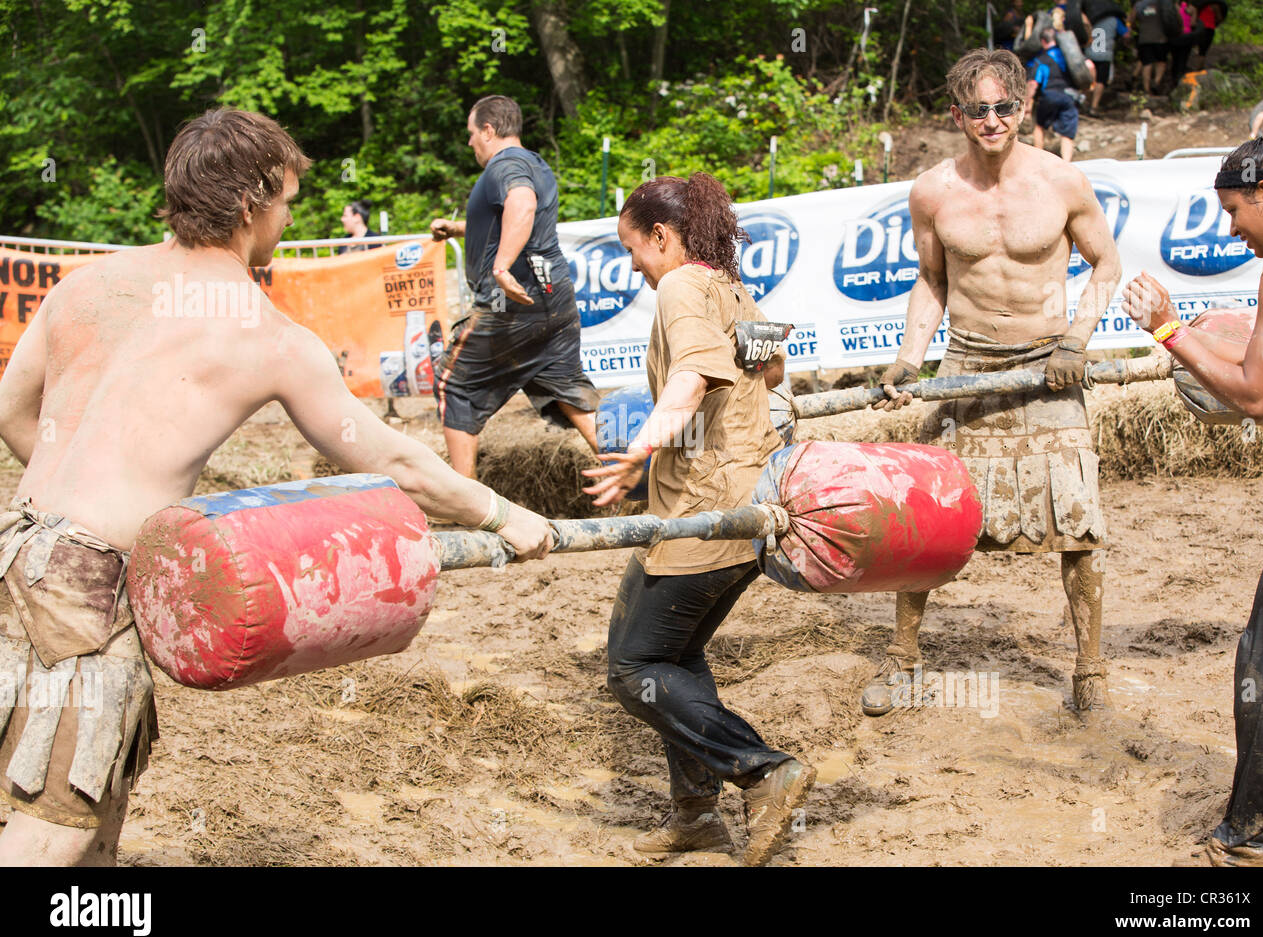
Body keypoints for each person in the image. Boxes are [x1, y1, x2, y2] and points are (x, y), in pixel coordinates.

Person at [0, 108, 553, 867]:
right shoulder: (267, 337)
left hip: (15, 552)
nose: (288, 221)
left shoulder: (86, 285)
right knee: (52, 827)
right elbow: (391, 463)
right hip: (87, 589)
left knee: (91, 793)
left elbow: (11, 411)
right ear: (251, 202)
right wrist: (503, 512)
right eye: (287, 201)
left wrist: (69, 521)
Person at [861, 48, 1121, 718]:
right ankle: (904, 661)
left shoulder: (1065, 182)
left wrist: (1075, 342)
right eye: (977, 110)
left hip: (1047, 368)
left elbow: (1107, 265)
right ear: (958, 115)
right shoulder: (932, 192)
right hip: (966, 371)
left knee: (1077, 520)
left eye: (1004, 107)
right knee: (927, 516)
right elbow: (932, 282)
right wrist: (908, 359)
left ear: (1024, 106)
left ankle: (1089, 671)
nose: (992, 120)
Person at [582, 173, 816, 867]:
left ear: (662, 236)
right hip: (750, 503)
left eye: (634, 249)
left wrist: (639, 452)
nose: (632, 268)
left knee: (633, 666)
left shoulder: (683, 285)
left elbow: (692, 377)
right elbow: (770, 371)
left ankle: (761, 770)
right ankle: (695, 817)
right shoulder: (732, 286)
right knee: (675, 658)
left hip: (703, 510)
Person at [1122, 132, 1263, 866]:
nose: (1231, 229)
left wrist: (1166, 328)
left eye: (1234, 211)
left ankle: (1252, 829)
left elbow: (1258, 394)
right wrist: (1196, 339)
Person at [429, 95, 599, 479]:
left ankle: (467, 502)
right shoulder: (536, 163)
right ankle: (635, 482)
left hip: (512, 304)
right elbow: (514, 218)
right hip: (553, 300)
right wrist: (457, 229)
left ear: (488, 130)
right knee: (568, 390)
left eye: (472, 134)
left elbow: (521, 205)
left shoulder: (505, 165)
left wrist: (502, 267)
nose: (470, 142)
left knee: (454, 384)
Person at [1026, 28, 1081, 162]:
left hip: (1049, 96)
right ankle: (1067, 162)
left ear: (1043, 41)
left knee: (1039, 126)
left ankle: (1038, 159)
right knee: (1067, 134)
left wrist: (1027, 103)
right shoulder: (1068, 56)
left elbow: (1033, 83)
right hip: (1069, 96)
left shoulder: (1041, 59)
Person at [1085, 4, 1130, 113]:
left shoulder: (1090, 18)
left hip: (1089, 53)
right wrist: (1128, 24)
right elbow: (1126, 35)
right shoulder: (1114, 20)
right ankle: (1094, 106)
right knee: (1101, 81)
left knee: (1089, 80)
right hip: (1105, 54)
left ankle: (1086, 102)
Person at [1133, 0, 1168, 94]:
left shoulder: (1139, 5)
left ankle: (1146, 89)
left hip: (1144, 38)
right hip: (1160, 37)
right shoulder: (1163, 3)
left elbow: (1130, 20)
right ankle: (1156, 82)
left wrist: (1135, 28)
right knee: (1161, 62)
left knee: (1147, 63)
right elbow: (1173, 16)